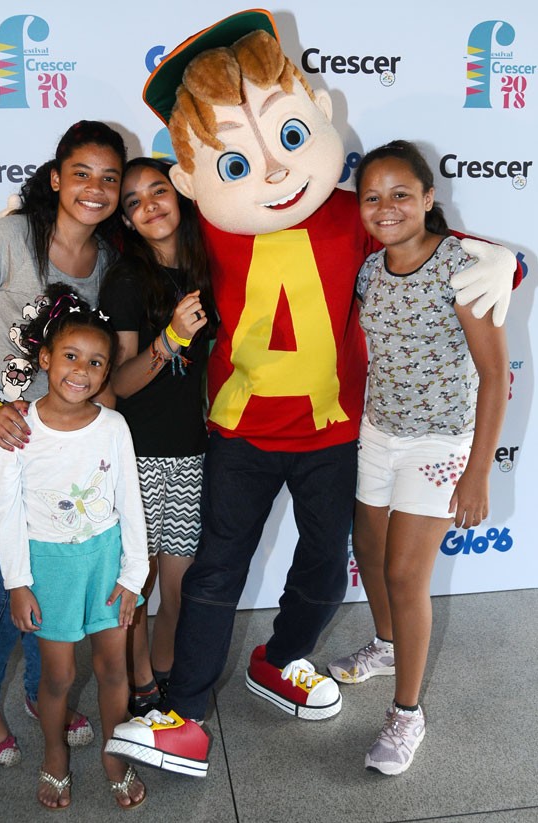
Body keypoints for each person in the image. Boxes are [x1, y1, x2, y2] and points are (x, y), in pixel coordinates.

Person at [106, 12, 519, 779]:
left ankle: (282, 656)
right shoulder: (204, 223)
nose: (268, 171)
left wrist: (501, 265)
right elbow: (134, 230)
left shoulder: (348, 212)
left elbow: (423, 245)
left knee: (327, 569)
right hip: (241, 435)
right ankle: (186, 713)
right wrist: (26, 219)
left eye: (288, 139)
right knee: (216, 573)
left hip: (333, 436)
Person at [0, 120, 127, 766]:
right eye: (82, 174)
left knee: (44, 565)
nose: (94, 189)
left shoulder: (107, 263)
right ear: (56, 177)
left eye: (109, 178)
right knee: (12, 571)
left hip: (56, 442)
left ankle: (38, 691)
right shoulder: (10, 236)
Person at [327, 140, 509, 775]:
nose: (386, 207)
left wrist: (478, 472)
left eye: (401, 193)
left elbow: (494, 376)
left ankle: (407, 715)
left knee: (407, 577)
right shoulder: (370, 271)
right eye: (371, 197)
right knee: (370, 556)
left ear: (429, 200)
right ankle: (385, 645)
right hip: (378, 434)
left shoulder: (462, 268)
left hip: (439, 444)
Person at [0, 285, 148, 808]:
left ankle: (113, 751)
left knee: (112, 668)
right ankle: (54, 754)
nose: (81, 370)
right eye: (70, 356)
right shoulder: (18, 427)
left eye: (96, 361)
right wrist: (18, 583)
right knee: (57, 677)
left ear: (107, 373)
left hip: (105, 562)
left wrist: (132, 575)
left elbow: (131, 504)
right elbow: (7, 511)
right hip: (49, 568)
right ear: (45, 358)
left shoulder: (114, 427)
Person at [99, 156, 215, 716]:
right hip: (138, 455)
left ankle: (164, 676)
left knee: (181, 588)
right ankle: (141, 682)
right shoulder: (126, 280)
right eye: (134, 202)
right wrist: (169, 338)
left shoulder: (203, 265)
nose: (149, 205)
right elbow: (117, 382)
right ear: (126, 221)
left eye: (158, 191)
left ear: (180, 194)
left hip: (192, 452)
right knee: (138, 588)